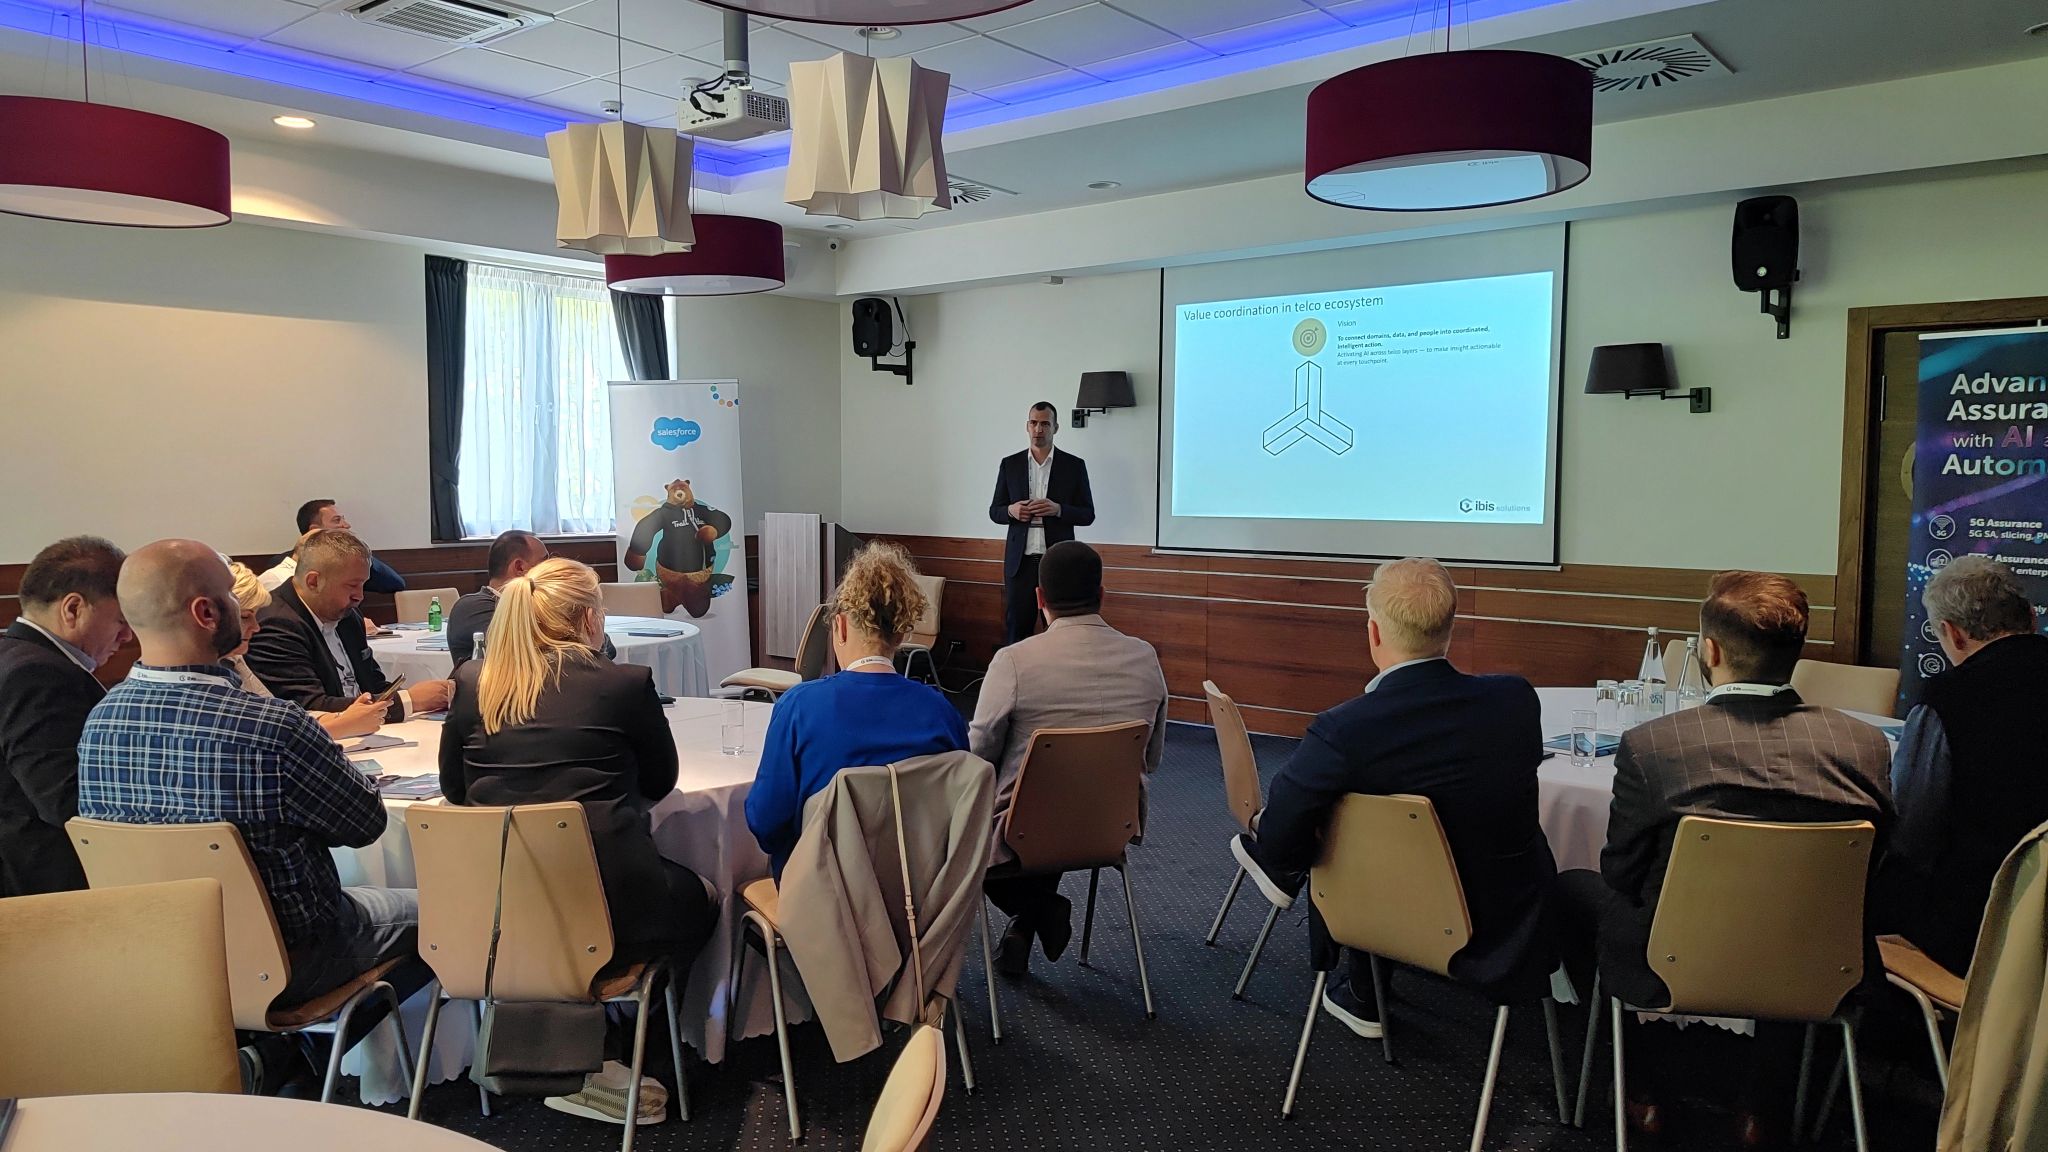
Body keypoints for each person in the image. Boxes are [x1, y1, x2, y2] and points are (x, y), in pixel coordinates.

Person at [1555, 570, 1893, 1144]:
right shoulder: (1863, 745)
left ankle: (1642, 1087)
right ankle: (1764, 1109)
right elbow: (1875, 869)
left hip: (1671, 958)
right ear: (1797, 650)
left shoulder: (1657, 746)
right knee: (1797, 916)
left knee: (1572, 891)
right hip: (1819, 963)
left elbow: (1621, 872)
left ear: (1709, 651)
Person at [75, 540, 423, 1009]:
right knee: (447, 916)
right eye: (234, 598)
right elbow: (365, 825)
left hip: (159, 955)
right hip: (295, 953)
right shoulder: (271, 727)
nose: (254, 619)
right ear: (206, 613)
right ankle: (360, 1049)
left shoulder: (99, 721)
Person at [1230, 557, 1557, 1037]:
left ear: (1374, 633)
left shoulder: (1345, 729)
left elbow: (1279, 835)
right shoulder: (1515, 699)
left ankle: (1365, 992)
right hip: (1512, 925)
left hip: (1388, 920)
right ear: (1449, 629)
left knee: (1335, 826)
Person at [438, 559, 716, 1066]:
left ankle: (571, 1041)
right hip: (613, 915)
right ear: (590, 618)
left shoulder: (473, 682)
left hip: (496, 911)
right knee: (703, 898)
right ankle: (637, 1048)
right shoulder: (624, 683)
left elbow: (454, 791)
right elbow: (659, 783)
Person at [970, 540, 1167, 976]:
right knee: (1054, 796)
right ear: (1102, 596)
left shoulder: (1014, 662)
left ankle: (1039, 908)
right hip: (1110, 826)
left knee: (974, 833)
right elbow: (1151, 759)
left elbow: (977, 757)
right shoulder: (1145, 657)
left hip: (1023, 832)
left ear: (1039, 598)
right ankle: (1027, 923)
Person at [745, 543, 968, 878]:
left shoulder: (799, 707)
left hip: (821, 894)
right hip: (919, 892)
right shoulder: (942, 713)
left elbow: (766, 822)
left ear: (841, 626)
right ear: (902, 632)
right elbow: (959, 812)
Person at [1880, 554, 2048, 975]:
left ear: (1952, 634)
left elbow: (1912, 831)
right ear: (2031, 618)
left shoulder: (1947, 699)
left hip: (1981, 929)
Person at [0, 537, 130, 897]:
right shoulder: (39, 674)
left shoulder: (13, 654)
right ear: (73, 608)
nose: (127, 635)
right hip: (45, 886)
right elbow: (64, 800)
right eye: (121, 620)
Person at [244, 529, 453, 724]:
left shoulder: (348, 617)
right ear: (313, 581)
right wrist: (409, 701)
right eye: (352, 585)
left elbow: (373, 684)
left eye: (363, 585)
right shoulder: (275, 625)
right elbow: (309, 708)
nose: (359, 596)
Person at [224, 562, 386, 739]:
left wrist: (340, 718)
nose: (256, 627)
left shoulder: (234, 661)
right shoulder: (211, 679)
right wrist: (342, 724)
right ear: (208, 617)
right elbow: (259, 732)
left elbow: (277, 712)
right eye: (245, 617)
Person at [988, 402, 1095, 647]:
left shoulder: (1073, 466)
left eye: (1045, 424)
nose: (1039, 429)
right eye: (1034, 423)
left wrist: (1059, 510)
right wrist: (1011, 511)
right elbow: (995, 511)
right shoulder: (1010, 464)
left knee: (1060, 632)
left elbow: (1088, 514)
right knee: (1017, 630)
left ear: (1055, 428)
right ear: (1027, 426)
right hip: (1020, 563)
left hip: (1058, 563)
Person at [258, 500, 406, 594]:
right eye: (337, 521)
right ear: (314, 530)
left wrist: (359, 554)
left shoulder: (348, 563)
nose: (346, 525)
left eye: (344, 519)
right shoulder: (285, 563)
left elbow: (395, 584)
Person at [448, 530, 548, 668]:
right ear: (519, 567)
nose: (552, 571)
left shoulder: (532, 604)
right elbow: (525, 651)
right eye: (545, 564)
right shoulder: (472, 608)